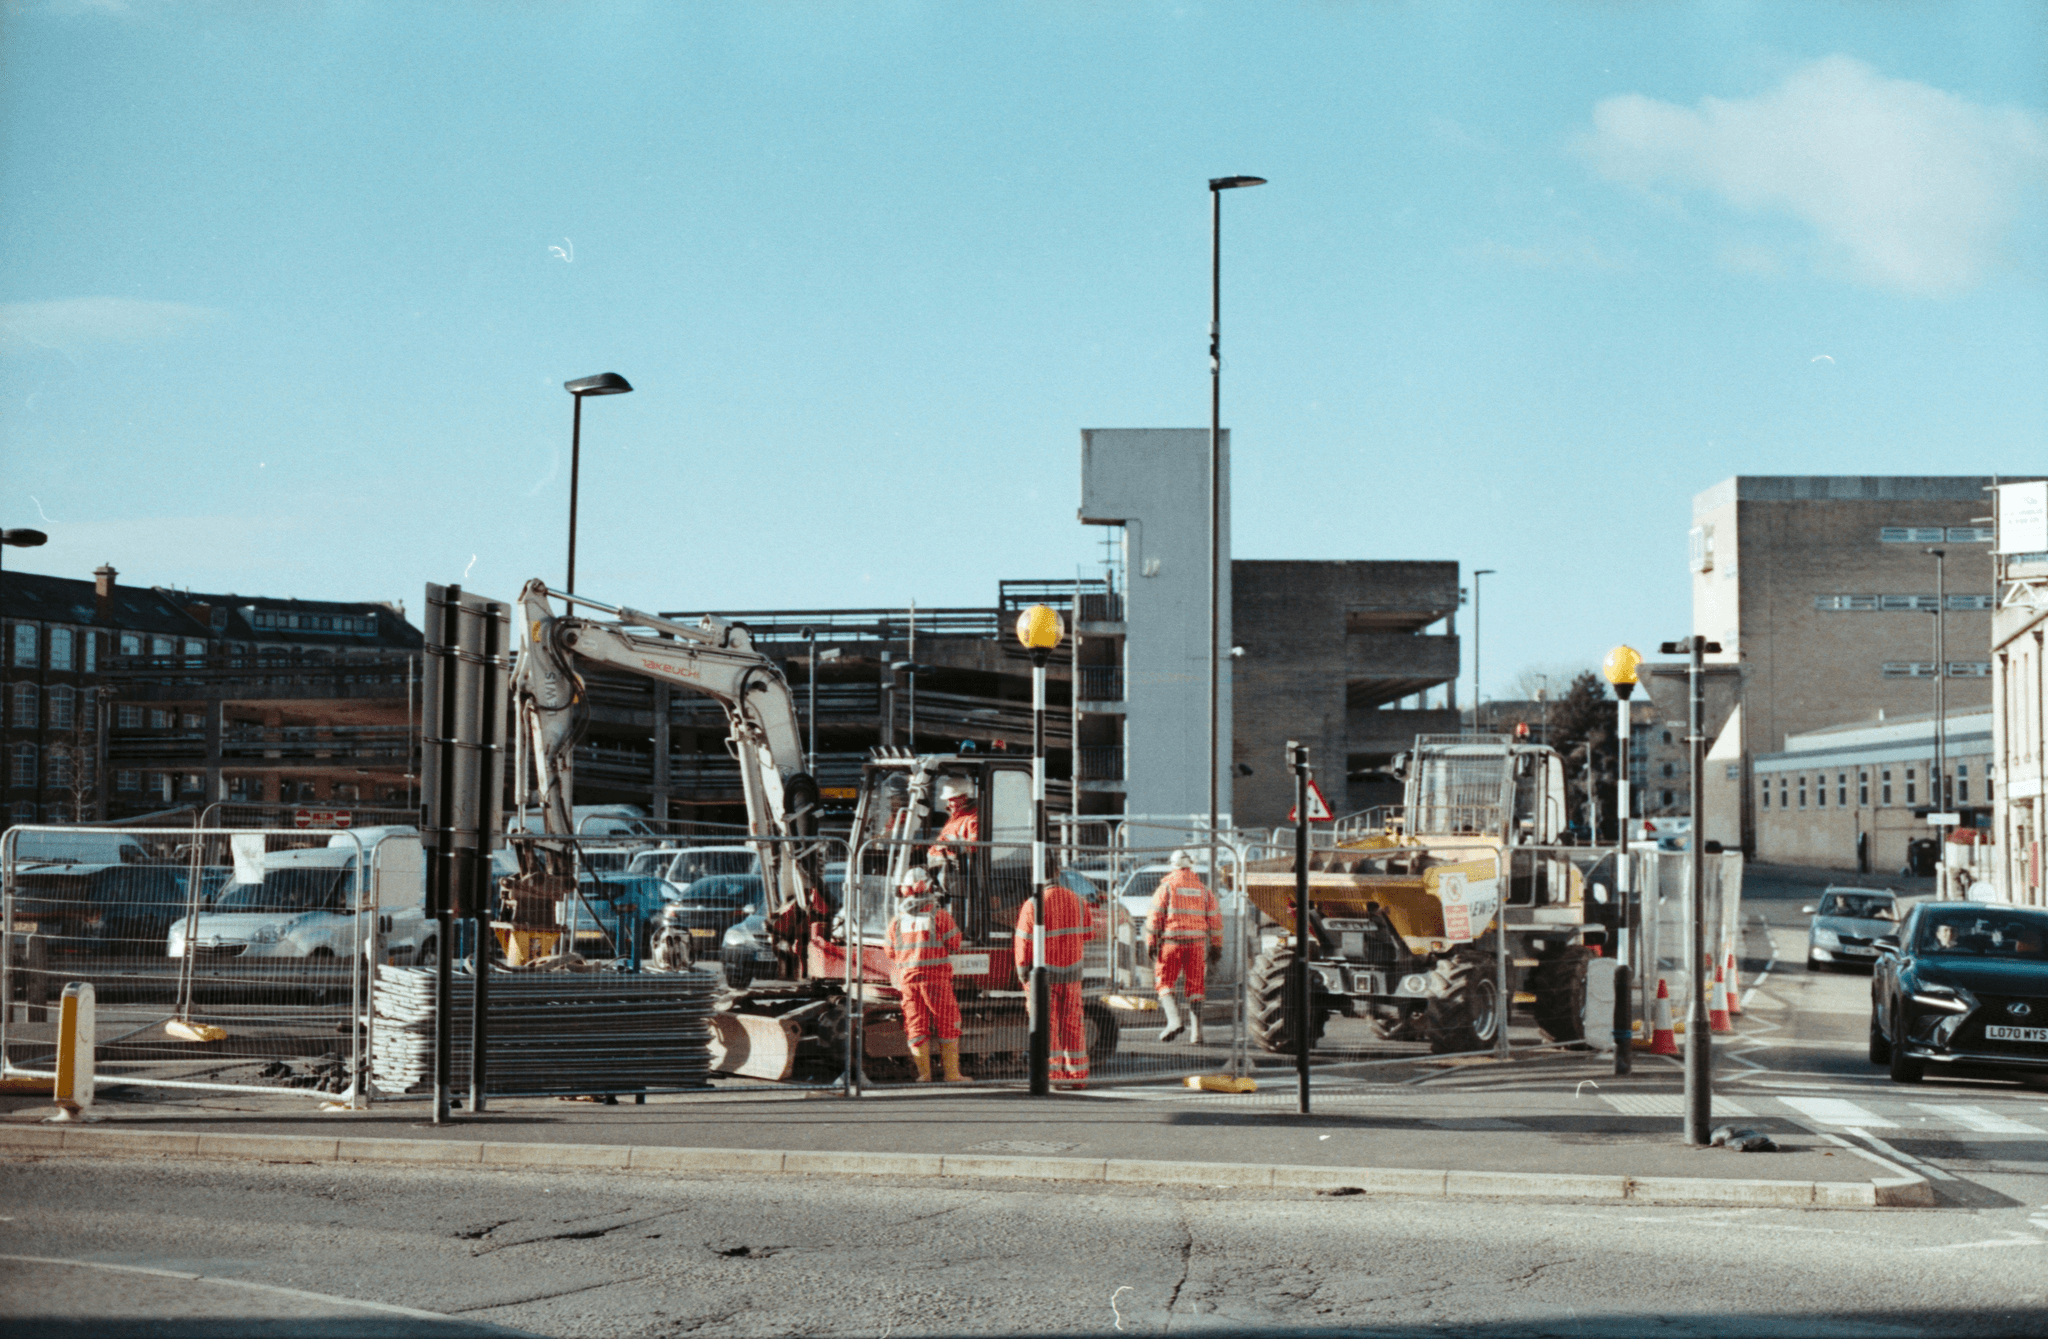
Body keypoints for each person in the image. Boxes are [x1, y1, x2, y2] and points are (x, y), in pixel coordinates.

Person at [885, 866, 966, 1082]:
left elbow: (890, 951)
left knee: (915, 1024)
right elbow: (955, 944)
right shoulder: (939, 916)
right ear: (929, 887)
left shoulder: (896, 921)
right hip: (936, 979)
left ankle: (924, 1076)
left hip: (908, 981)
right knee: (948, 1021)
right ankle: (952, 1074)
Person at [1015, 875, 1096, 1088]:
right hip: (1072, 974)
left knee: (1045, 1024)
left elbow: (1023, 943)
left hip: (1044, 976)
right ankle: (1078, 1075)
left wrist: (1023, 972)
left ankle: (1053, 1075)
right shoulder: (1078, 900)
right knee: (1073, 1022)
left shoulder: (1033, 903)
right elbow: (1088, 934)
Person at [1148, 849, 1222, 1044]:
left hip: (1172, 942)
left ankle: (1174, 1021)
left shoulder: (1167, 886)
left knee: (1164, 982)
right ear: (1190, 866)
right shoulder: (1203, 889)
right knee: (1196, 987)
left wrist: (1151, 942)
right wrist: (1216, 946)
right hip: (1196, 945)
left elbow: (1155, 917)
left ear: (1173, 865)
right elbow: (1215, 920)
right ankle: (1197, 1034)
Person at [925, 776, 979, 878]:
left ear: (964, 797)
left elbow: (975, 846)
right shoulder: (955, 817)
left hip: (954, 872)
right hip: (939, 867)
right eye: (948, 800)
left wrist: (951, 847)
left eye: (952, 800)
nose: (949, 804)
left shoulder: (973, 820)